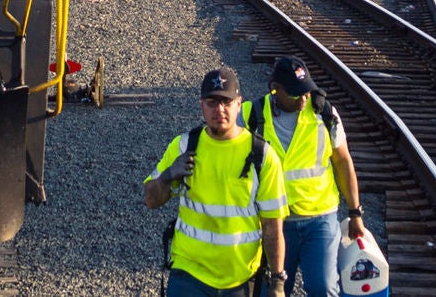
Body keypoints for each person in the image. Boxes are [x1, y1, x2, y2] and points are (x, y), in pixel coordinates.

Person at [146, 68, 289, 297]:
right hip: (189, 273)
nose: (219, 109)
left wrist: (277, 282)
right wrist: (168, 175)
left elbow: (273, 227)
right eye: (212, 102)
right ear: (202, 105)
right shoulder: (183, 146)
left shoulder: (262, 156)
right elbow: (151, 200)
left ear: (239, 104)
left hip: (241, 279)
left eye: (226, 102)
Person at [242, 57, 364, 297]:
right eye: (296, 93)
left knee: (324, 288)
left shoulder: (325, 113)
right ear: (274, 88)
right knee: (273, 291)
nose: (304, 98)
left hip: (320, 219)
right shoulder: (251, 115)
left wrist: (355, 213)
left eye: (306, 90)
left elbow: (343, 161)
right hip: (273, 221)